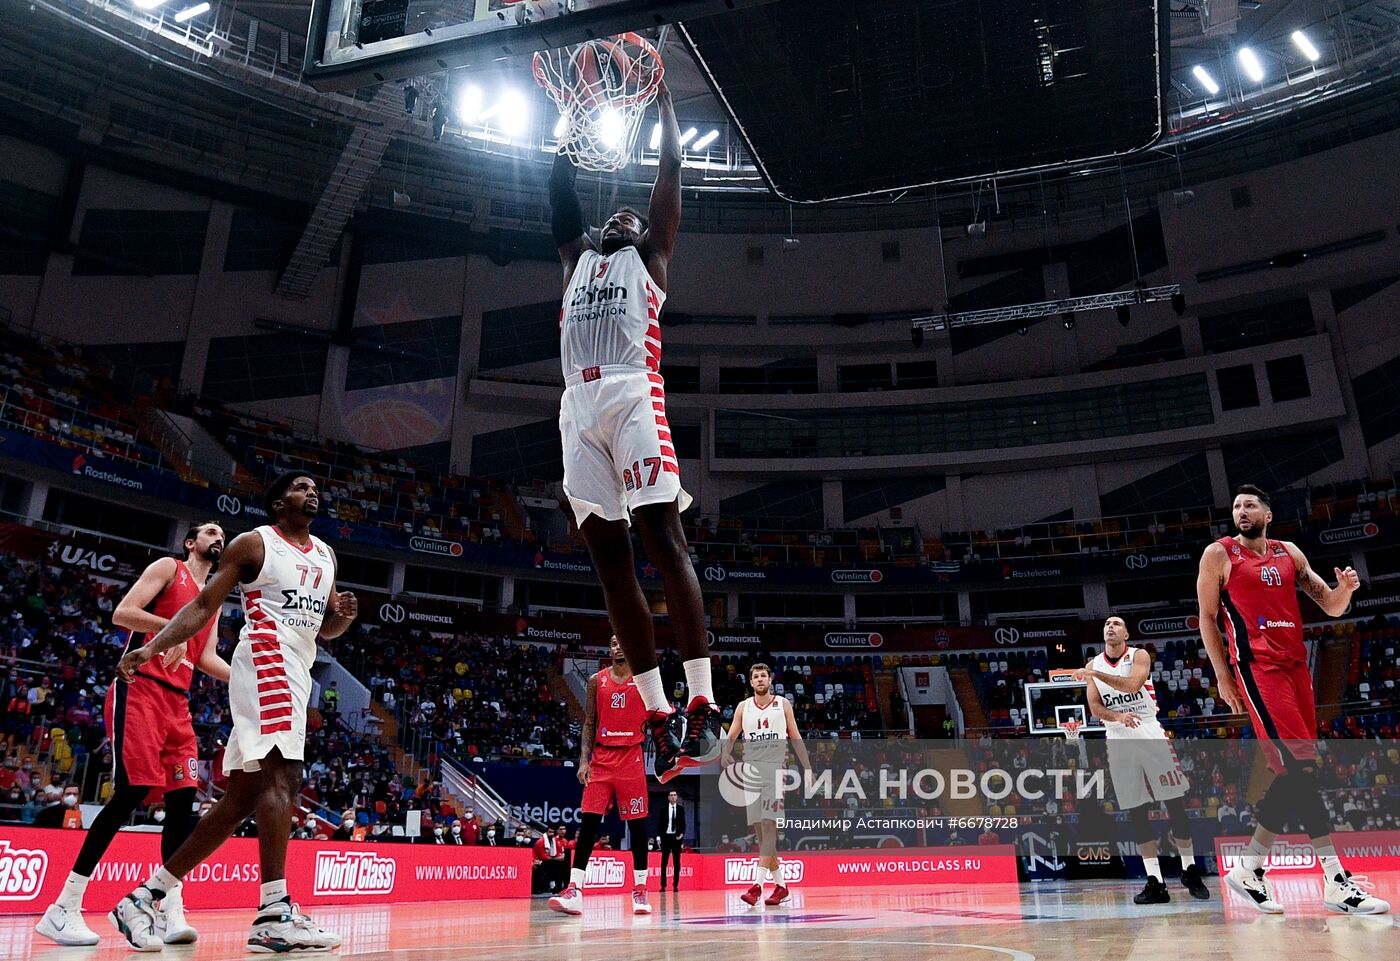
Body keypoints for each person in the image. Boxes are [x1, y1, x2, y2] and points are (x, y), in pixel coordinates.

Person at [547, 77, 720, 783]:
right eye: (611, 213)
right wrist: (568, 123)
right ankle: (656, 713)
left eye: (630, 214)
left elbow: (669, 175)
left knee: (661, 537)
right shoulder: (575, 260)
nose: (621, 215)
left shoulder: (648, 260)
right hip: (575, 410)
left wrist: (666, 107)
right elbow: (559, 191)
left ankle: (703, 702)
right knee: (609, 562)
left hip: (630, 392)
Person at [108, 473, 360, 950]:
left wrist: (343, 617)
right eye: (301, 486)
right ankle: (273, 910)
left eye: (314, 487)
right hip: (267, 659)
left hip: (296, 665)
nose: (312, 491)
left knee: (242, 797)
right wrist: (152, 648)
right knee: (283, 776)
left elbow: (324, 630)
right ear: (278, 500)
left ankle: (144, 897)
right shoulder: (253, 544)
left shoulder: (326, 555)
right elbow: (204, 606)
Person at [1197, 484, 1388, 915]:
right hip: (1258, 669)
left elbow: (1331, 606)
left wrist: (1346, 589)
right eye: (1236, 506)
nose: (1241, 511)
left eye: (1250, 505)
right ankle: (1335, 879)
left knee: (1296, 770)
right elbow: (1207, 619)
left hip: (1297, 668)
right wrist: (1223, 677)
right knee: (1300, 766)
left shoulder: (1289, 553)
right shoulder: (1219, 555)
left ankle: (1250, 868)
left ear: (1267, 513)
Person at [36, 522, 229, 948]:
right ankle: (63, 907)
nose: (219, 538)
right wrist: (172, 627)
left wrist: (249, 681)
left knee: (183, 802)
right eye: (211, 532)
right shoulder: (168, 567)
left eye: (223, 534)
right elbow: (122, 612)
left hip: (178, 702)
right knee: (132, 791)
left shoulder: (213, 599)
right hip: (139, 687)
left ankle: (168, 908)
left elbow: (208, 657)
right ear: (191, 542)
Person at [1076, 616, 1209, 904]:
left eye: (1117, 623)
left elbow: (1134, 685)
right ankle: (1155, 881)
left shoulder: (1138, 655)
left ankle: (1189, 869)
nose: (1110, 627)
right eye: (1107, 624)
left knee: (1174, 803)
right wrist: (1117, 716)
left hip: (1148, 730)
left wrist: (1096, 675)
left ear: (1125, 632)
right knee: (1137, 811)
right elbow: (1095, 707)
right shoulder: (1093, 664)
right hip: (1118, 736)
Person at [550, 635, 652, 916]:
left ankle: (640, 891)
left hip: (631, 755)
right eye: (613, 643)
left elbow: (658, 716)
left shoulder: (645, 680)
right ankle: (574, 890)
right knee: (589, 823)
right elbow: (589, 722)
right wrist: (584, 760)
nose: (618, 647)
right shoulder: (597, 680)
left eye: (622, 642)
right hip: (602, 758)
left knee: (638, 826)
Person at [721, 663, 811, 908]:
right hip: (751, 772)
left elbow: (795, 736)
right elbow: (730, 738)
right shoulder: (743, 707)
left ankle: (757, 886)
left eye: (763, 676)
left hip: (774, 771)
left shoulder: (782, 704)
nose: (760, 680)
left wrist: (808, 767)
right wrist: (724, 754)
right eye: (755, 677)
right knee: (762, 835)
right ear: (750, 682)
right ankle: (781, 887)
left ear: (770, 680)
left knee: (769, 828)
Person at [657, 790, 685, 891]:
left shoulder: (681, 809)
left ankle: (675, 885)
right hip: (666, 837)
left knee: (676, 862)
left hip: (676, 838)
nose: (673, 797)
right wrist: (659, 837)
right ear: (668, 797)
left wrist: (681, 834)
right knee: (664, 862)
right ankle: (663, 885)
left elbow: (683, 823)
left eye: (674, 795)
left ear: (677, 797)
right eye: (671, 795)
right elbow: (660, 824)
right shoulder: (663, 809)